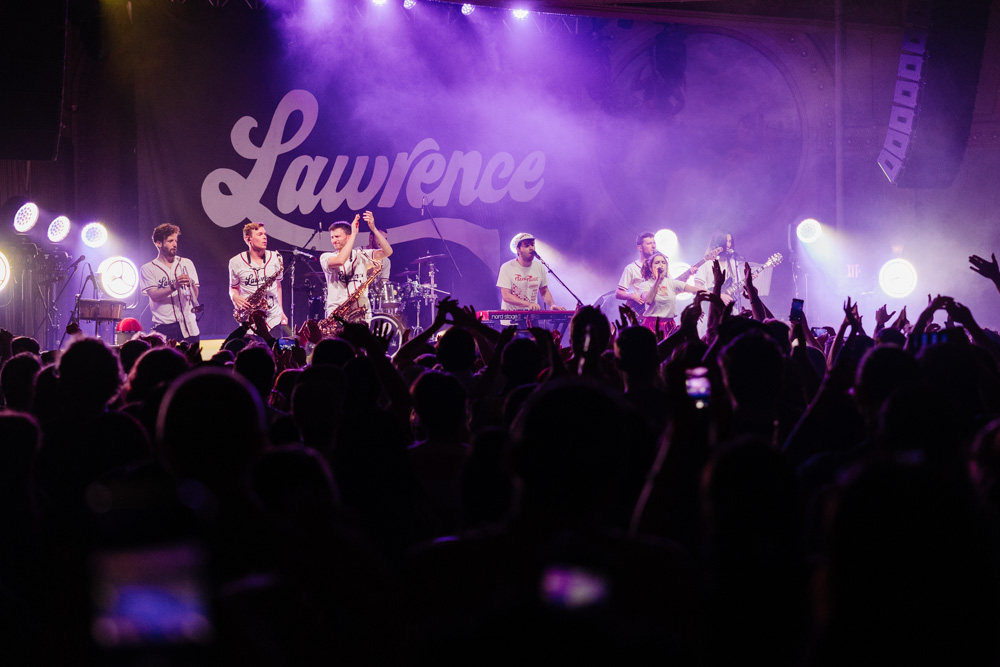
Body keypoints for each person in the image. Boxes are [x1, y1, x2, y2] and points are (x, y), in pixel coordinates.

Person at [320, 210, 393, 321]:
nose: (334, 241)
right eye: (332, 237)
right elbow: (340, 261)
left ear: (348, 237)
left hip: (361, 312)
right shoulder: (326, 257)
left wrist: (374, 229)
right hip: (337, 315)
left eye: (337, 236)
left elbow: (387, 252)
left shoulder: (362, 255)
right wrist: (354, 234)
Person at [139, 223, 201, 345]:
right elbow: (154, 295)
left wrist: (191, 284)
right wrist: (174, 285)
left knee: (192, 362)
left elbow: (195, 295)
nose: (174, 244)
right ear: (158, 243)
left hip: (190, 326)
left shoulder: (187, 263)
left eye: (176, 240)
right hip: (165, 327)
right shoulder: (148, 268)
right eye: (170, 241)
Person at [229, 222, 288, 337]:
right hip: (249, 320)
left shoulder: (276, 258)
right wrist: (233, 296)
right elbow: (233, 287)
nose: (264, 237)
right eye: (260, 234)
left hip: (273, 317)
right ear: (248, 239)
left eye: (265, 234)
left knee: (276, 353)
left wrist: (281, 311)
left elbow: (278, 285)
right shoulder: (235, 262)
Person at [496, 233, 564, 311]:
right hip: (511, 319)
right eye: (526, 245)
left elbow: (544, 291)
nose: (531, 248)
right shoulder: (507, 267)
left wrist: (552, 304)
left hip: (532, 316)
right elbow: (506, 296)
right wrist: (529, 304)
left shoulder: (539, 266)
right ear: (518, 249)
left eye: (532, 244)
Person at [638, 251, 701, 336]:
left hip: (669, 325)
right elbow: (648, 300)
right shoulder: (645, 285)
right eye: (657, 262)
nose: (661, 265)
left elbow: (696, 291)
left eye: (663, 262)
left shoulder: (672, 283)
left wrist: (716, 293)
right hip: (651, 325)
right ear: (650, 268)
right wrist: (658, 280)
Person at [694, 230, 740, 307]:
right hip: (712, 305)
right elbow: (697, 286)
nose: (728, 245)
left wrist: (748, 282)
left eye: (730, 241)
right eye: (726, 242)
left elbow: (738, 288)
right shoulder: (707, 262)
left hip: (729, 307)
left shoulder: (733, 263)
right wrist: (718, 295)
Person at [616, 231, 657, 314]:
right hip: (641, 312)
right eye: (649, 243)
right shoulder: (631, 268)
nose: (653, 246)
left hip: (657, 310)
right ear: (640, 248)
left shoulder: (659, 266)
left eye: (654, 243)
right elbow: (618, 293)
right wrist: (632, 296)